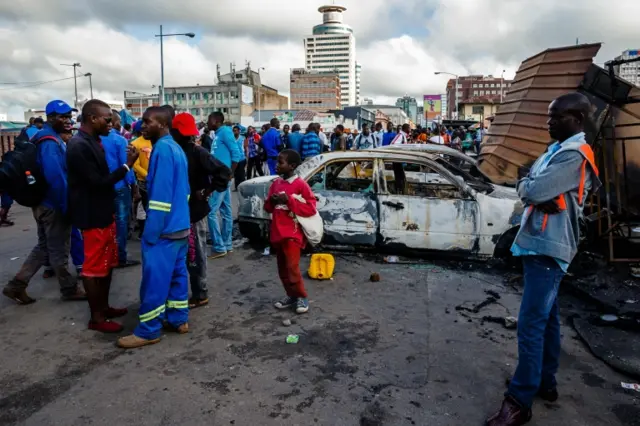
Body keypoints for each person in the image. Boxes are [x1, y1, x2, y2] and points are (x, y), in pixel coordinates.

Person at [486, 93, 601, 426]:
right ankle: (545, 383)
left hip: (550, 247)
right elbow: (526, 181)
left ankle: (519, 400)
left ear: (577, 119)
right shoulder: (557, 151)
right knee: (547, 318)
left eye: (556, 117)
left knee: (531, 324)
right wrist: (532, 188)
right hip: (539, 243)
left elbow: (532, 190)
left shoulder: (574, 156)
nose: (548, 123)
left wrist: (534, 190)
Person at [117, 106, 191, 349]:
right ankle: (178, 319)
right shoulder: (176, 149)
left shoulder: (161, 150)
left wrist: (151, 232)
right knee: (178, 275)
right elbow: (184, 192)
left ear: (162, 124)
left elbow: (159, 198)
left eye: (147, 121)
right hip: (180, 226)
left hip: (165, 230)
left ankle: (149, 330)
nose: (142, 125)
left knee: (154, 281)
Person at [3, 100, 86, 305]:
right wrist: (67, 207)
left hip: (42, 202)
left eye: (69, 116)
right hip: (52, 204)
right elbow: (56, 178)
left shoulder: (45, 137)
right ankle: (69, 288)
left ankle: (17, 285)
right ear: (50, 118)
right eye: (62, 117)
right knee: (59, 248)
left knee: (45, 246)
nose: (67, 121)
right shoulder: (49, 142)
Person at [66, 100, 138, 332]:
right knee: (93, 268)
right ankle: (96, 318)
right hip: (92, 215)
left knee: (107, 264)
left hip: (104, 213)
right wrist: (127, 167)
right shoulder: (78, 146)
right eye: (108, 120)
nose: (112, 124)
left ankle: (104, 307)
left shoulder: (94, 141)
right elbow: (97, 182)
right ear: (92, 118)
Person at [171, 113, 230, 310]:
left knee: (195, 255)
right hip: (178, 213)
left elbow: (224, 172)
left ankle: (200, 293)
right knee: (185, 256)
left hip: (194, 214)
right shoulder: (173, 151)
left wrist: (207, 190)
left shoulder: (197, 152)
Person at [264, 149, 317, 315]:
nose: (277, 165)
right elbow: (267, 208)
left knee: (292, 267)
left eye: (281, 162)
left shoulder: (300, 185)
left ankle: (301, 296)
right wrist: (271, 201)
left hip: (292, 235)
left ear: (292, 166)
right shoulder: (276, 184)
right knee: (282, 269)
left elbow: (310, 208)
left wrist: (290, 200)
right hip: (278, 233)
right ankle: (291, 295)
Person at [102, 110, 140, 268]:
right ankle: (120, 257)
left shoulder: (92, 140)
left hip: (102, 188)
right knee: (122, 222)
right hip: (119, 187)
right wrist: (134, 186)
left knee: (105, 224)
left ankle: (107, 256)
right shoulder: (119, 140)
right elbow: (127, 166)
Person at [207, 112, 242, 259]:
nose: (207, 123)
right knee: (226, 211)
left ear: (216, 121)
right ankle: (227, 244)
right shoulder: (218, 134)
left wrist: (230, 173)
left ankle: (219, 246)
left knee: (210, 211)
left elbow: (237, 154)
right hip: (220, 176)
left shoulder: (225, 132)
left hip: (221, 178)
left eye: (209, 120)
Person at [232, 125, 247, 190]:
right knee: (236, 174)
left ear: (239, 131)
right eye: (234, 131)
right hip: (235, 159)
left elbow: (245, 148)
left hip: (242, 159)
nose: (235, 132)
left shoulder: (242, 138)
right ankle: (237, 187)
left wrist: (247, 157)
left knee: (241, 174)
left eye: (236, 131)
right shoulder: (232, 139)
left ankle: (243, 187)